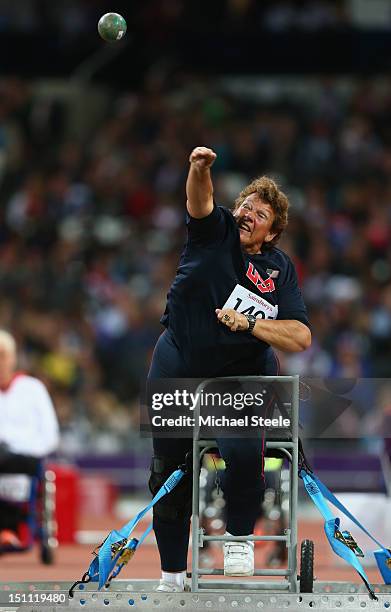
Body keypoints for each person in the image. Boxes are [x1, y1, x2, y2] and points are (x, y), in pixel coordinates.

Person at [148, 147, 311, 592]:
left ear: (272, 232)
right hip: (178, 360)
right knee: (167, 470)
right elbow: (199, 202)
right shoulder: (214, 231)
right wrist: (198, 169)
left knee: (242, 456)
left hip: (237, 377)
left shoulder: (279, 270)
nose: (246, 213)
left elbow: (300, 336)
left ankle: (239, 536)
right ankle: (171, 574)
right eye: (244, 205)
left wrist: (252, 323)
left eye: (259, 212)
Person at [0, 330, 59, 548]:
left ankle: (9, 528)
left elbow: (50, 435)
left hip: (25, 458)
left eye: (3, 355)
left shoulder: (33, 389)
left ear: (13, 358)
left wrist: (20, 448)